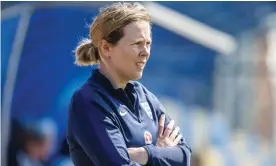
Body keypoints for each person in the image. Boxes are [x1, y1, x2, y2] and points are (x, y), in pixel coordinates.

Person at [67, 2, 191, 166]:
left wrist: (145, 153)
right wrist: (161, 153)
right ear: (106, 48)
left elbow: (185, 155)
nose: (145, 52)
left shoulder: (145, 97)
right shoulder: (88, 101)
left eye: (148, 44)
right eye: (137, 43)